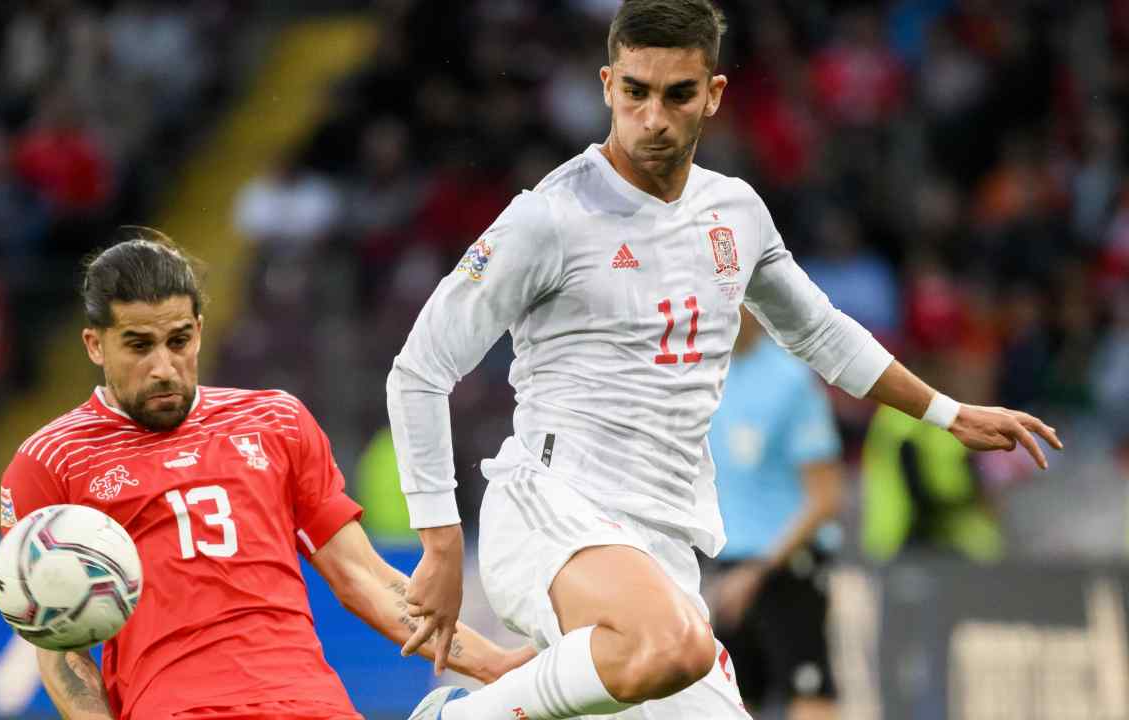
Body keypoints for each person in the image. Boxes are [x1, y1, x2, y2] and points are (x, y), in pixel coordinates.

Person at [386, 1, 1063, 718]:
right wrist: (441, 544)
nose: (653, 118)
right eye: (635, 92)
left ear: (712, 95)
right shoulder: (548, 217)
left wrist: (948, 413)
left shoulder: (734, 212)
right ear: (608, 85)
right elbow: (419, 370)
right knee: (665, 644)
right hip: (553, 508)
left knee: (665, 651)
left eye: (677, 95)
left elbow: (820, 332)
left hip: (664, 547)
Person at [0, 232, 533, 720]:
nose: (163, 366)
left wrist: (495, 665)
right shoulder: (52, 461)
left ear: (199, 331)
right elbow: (59, 649)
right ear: (95, 344)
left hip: (314, 706)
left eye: (179, 341)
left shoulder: (275, 422)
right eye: (139, 346)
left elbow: (364, 576)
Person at [705, 308, 844, 719]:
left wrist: (757, 572)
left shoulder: (791, 380)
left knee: (809, 693)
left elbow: (825, 498)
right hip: (726, 569)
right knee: (731, 699)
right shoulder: (702, 377)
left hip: (786, 566)